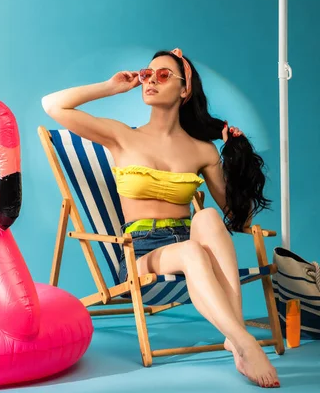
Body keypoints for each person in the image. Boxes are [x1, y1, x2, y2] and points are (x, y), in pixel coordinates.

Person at [41, 48, 279, 388]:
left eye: (163, 74)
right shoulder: (123, 135)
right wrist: (111, 87)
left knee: (208, 217)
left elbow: (233, 216)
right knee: (192, 252)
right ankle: (245, 342)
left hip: (187, 240)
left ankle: (235, 334)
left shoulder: (203, 150)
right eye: (146, 73)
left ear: (185, 90)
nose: (150, 79)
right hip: (140, 252)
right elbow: (53, 105)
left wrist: (236, 159)